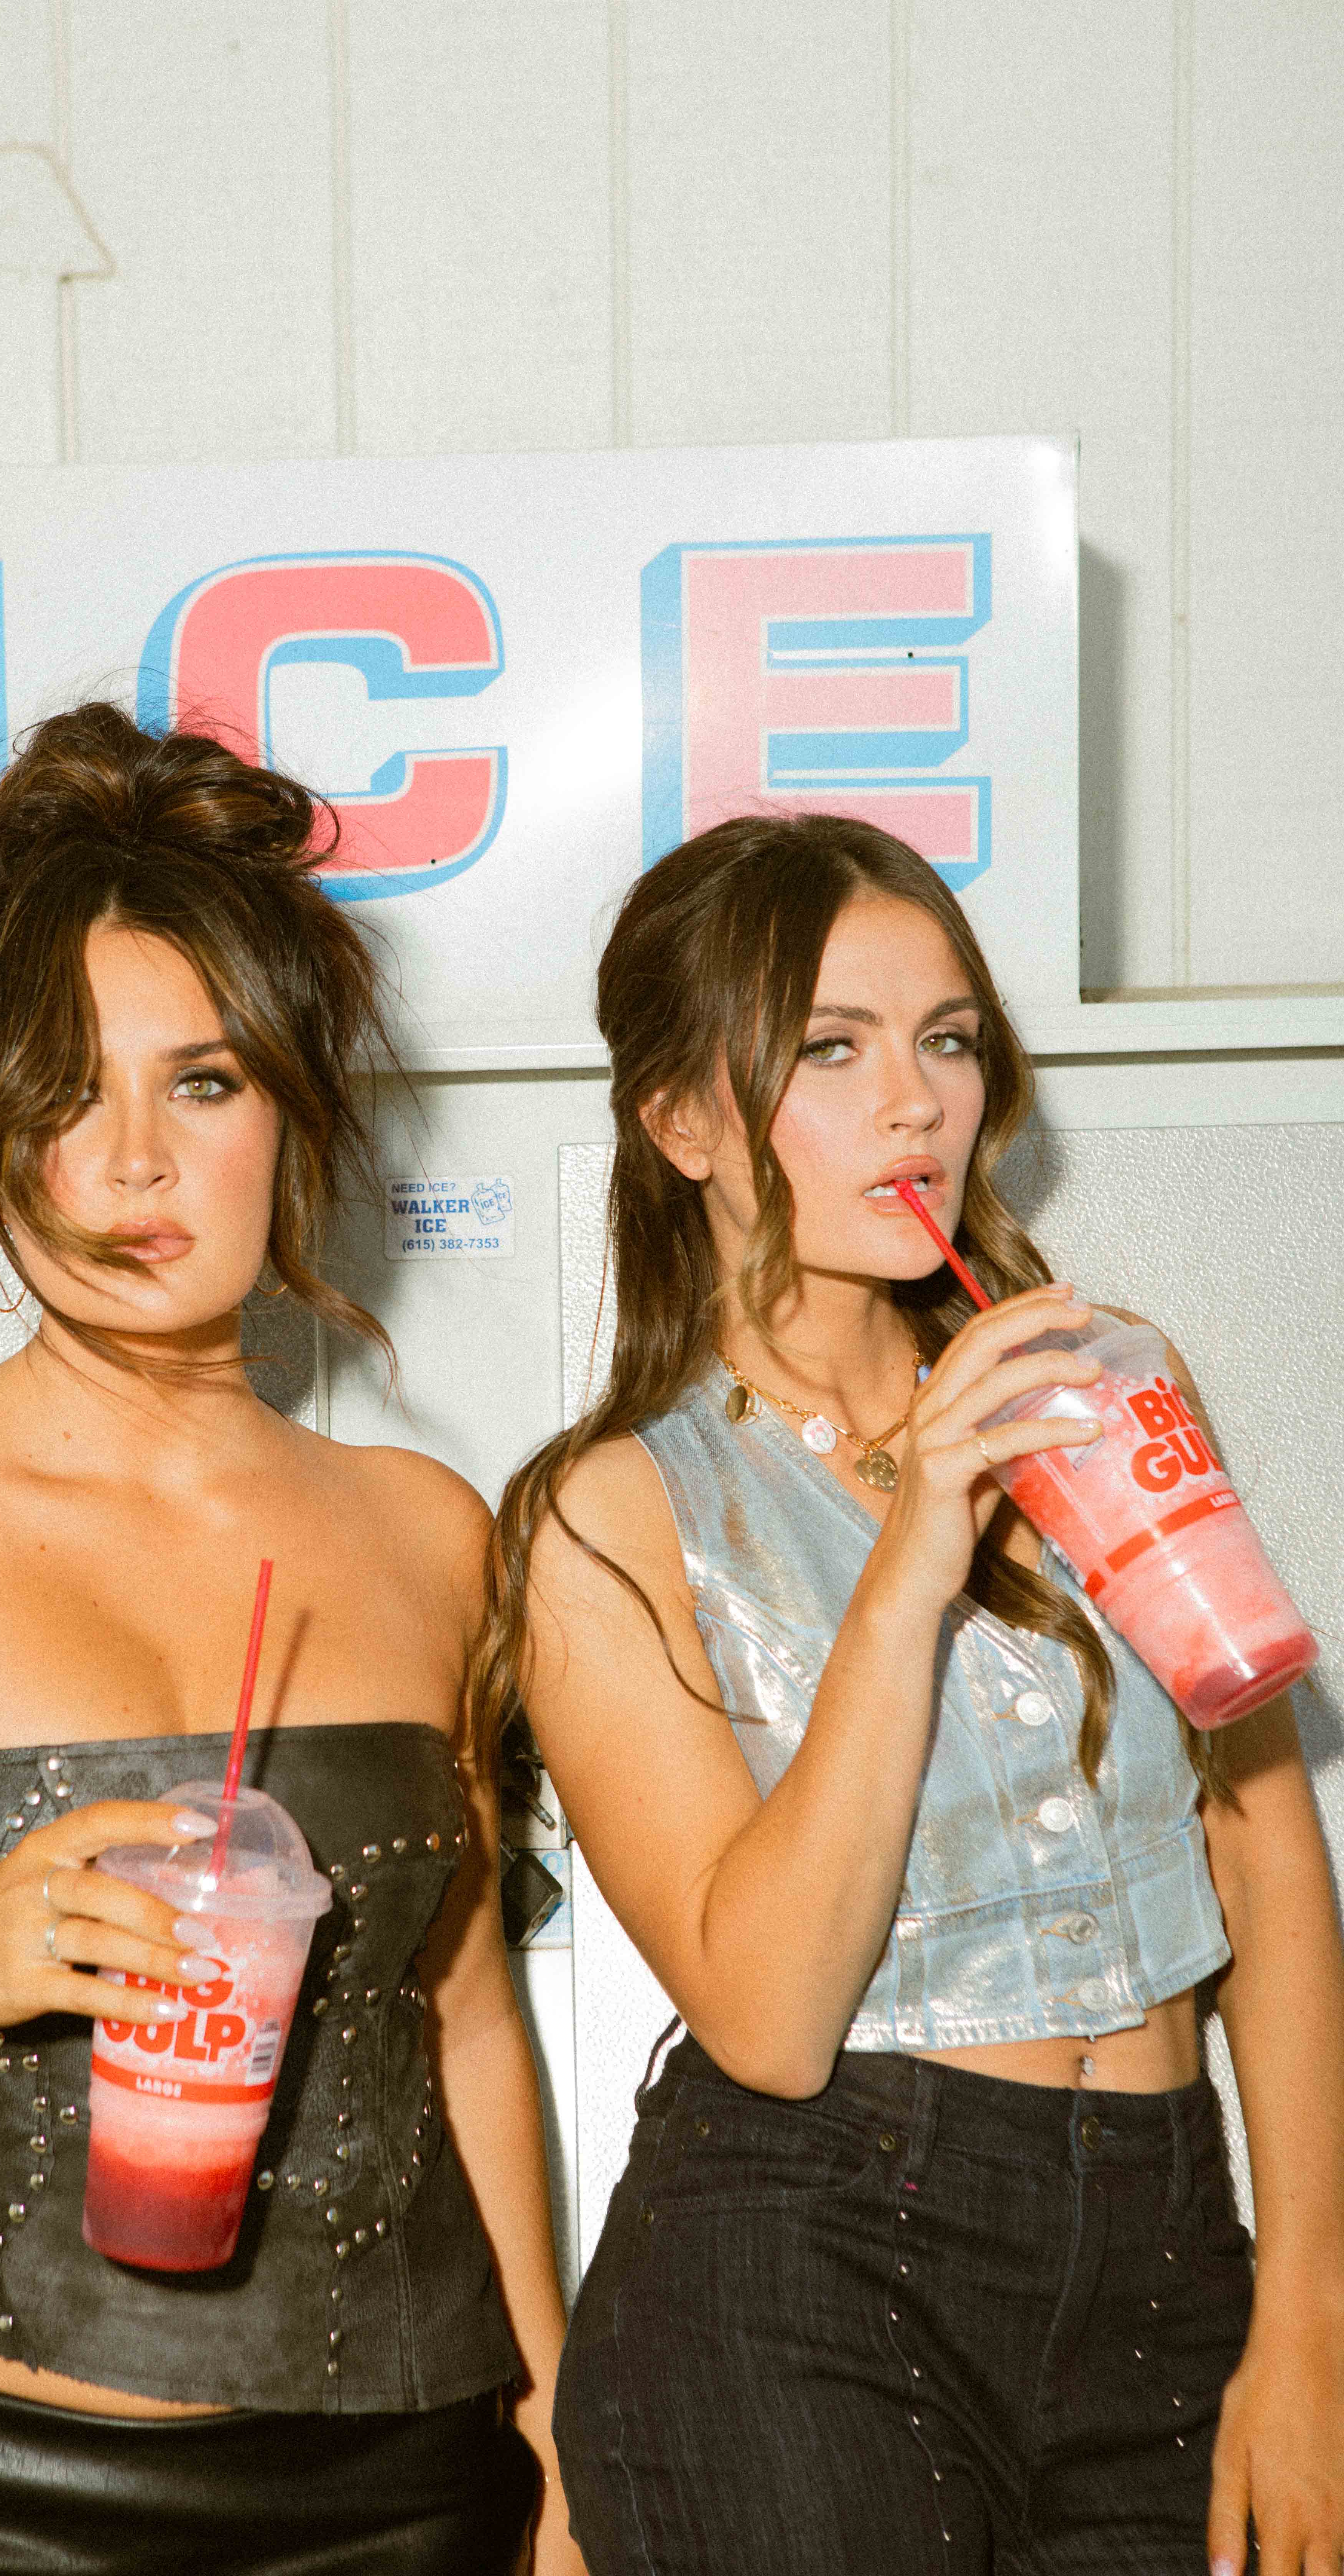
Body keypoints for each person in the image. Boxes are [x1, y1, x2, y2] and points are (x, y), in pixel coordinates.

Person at [0, 703, 581, 2575]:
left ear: (297, 1110)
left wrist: (558, 2439)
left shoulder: (429, 1537)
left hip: (411, 2487)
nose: (134, 1161)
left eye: (203, 1083)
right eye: (69, 1093)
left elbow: (462, 2016)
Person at [477, 814, 1344, 2574]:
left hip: (1170, 2242)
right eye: (829, 1047)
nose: (917, 1102)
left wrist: (1308, 2323)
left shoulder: (1105, 1386)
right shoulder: (606, 1513)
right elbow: (773, 2020)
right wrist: (912, 1549)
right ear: (684, 1120)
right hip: (806, 2258)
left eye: (946, 1039)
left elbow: (1263, 1856)